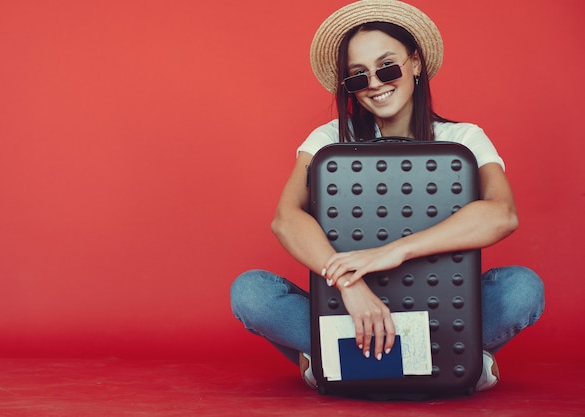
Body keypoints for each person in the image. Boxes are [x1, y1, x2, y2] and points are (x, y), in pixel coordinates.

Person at [230, 0, 544, 393]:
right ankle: (449, 361)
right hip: (349, 310)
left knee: (522, 288)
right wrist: (349, 285)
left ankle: (339, 362)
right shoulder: (329, 139)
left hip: (443, 307)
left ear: (415, 63)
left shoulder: (463, 139)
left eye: (388, 66)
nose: (376, 84)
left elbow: (502, 213)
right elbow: (286, 219)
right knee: (251, 292)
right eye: (358, 76)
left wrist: (396, 251)